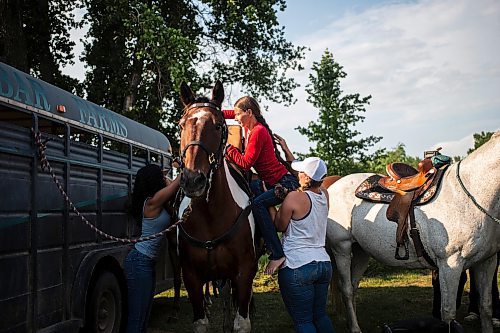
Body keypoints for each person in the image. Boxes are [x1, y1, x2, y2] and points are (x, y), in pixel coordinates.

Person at [223, 96, 299, 274]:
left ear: (249, 112)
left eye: (238, 115)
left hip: (284, 183)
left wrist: (228, 148)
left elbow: (245, 163)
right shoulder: (249, 126)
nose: (235, 118)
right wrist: (206, 110)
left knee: (257, 204)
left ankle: (276, 253)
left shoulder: (258, 131)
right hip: (270, 182)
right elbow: (228, 113)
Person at [274, 156, 335, 333]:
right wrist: (287, 152)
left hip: (297, 265)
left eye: (301, 172)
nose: (298, 174)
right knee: (321, 316)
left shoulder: (293, 198)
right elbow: (313, 180)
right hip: (323, 264)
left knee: (303, 321)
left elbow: (280, 226)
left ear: (306, 177)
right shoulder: (325, 194)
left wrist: (273, 208)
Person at [124, 164, 180, 333]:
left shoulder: (158, 202)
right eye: (160, 177)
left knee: (144, 317)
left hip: (146, 264)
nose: (164, 178)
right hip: (139, 262)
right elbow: (178, 181)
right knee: (136, 318)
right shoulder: (153, 202)